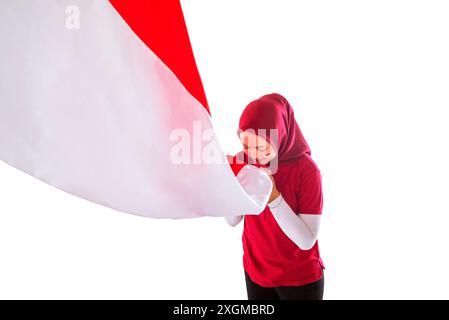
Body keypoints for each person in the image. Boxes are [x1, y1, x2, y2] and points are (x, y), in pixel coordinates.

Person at [226, 93, 325, 300]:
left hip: (300, 279)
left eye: (261, 147)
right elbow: (233, 221)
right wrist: (228, 189)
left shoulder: (307, 171)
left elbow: (307, 241)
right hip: (255, 272)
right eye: (246, 146)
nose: (253, 154)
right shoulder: (243, 160)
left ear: (279, 135)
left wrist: (274, 198)